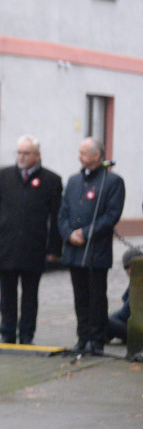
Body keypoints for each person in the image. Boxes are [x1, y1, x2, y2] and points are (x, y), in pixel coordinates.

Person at [0, 135, 63, 344]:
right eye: (19, 152)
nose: (21, 157)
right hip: (7, 246)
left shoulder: (51, 180)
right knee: (7, 294)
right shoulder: (3, 177)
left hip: (34, 247)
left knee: (30, 295)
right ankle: (7, 332)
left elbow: (56, 218)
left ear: (37, 155)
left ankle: (27, 334)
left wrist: (54, 249)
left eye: (26, 153)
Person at [58, 137, 125, 355]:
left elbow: (111, 216)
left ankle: (97, 340)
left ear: (97, 156)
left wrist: (85, 233)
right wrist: (69, 234)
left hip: (96, 250)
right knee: (80, 297)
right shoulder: (73, 181)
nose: (79, 157)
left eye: (83, 153)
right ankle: (82, 337)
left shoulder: (112, 182)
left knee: (96, 297)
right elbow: (63, 213)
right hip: (74, 249)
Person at [108, 247, 142, 346]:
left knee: (105, 321)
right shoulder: (136, 280)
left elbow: (124, 312)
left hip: (138, 330)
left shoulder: (138, 284)